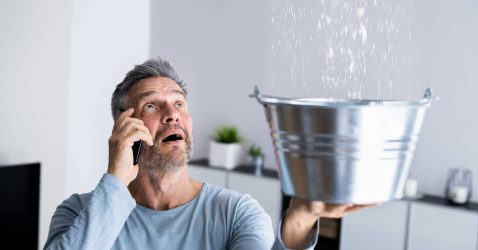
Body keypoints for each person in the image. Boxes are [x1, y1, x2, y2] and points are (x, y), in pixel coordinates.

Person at [44, 58, 372, 250]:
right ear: (123, 129)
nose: (172, 114)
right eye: (151, 105)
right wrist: (116, 180)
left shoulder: (236, 214)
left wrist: (300, 217)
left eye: (179, 103)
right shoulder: (78, 212)